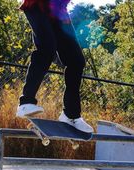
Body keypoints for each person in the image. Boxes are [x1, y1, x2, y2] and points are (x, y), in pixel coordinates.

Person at [16, 0, 93, 133]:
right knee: (47, 48)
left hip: (59, 13)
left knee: (76, 61)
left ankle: (71, 115)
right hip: (37, 6)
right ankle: (25, 103)